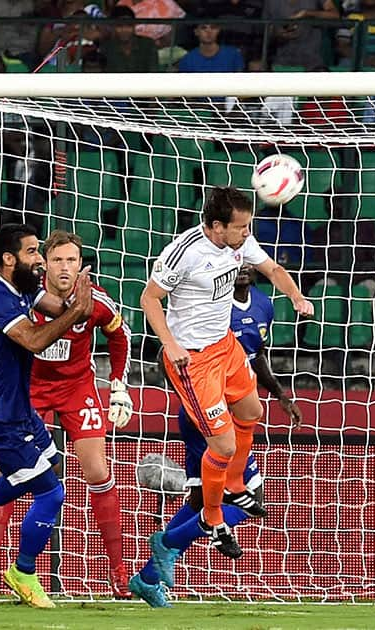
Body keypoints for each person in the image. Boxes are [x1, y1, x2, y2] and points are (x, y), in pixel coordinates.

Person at [139, 186, 313, 561]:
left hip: (226, 346)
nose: (247, 234)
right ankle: (215, 520)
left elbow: (273, 268)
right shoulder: (183, 253)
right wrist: (170, 344)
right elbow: (149, 299)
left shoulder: (239, 243)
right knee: (224, 446)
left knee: (252, 413)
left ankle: (234, 483)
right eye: (241, 227)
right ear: (217, 227)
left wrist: (296, 297)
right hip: (193, 361)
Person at [0, 229, 133, 601]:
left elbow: (119, 338)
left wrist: (118, 385)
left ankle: (118, 570)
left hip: (77, 387)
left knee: (97, 471)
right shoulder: (26, 293)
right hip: (31, 389)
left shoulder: (97, 300)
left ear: (80, 265)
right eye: (56, 259)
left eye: (71, 260)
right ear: (44, 263)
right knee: (17, 474)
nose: (63, 266)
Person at [130, 263, 304, 607]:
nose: (239, 269)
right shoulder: (209, 304)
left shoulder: (262, 304)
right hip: (206, 413)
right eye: (232, 264)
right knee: (248, 496)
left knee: (203, 500)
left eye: (244, 263)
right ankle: (165, 546)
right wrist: (195, 403)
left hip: (233, 410)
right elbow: (180, 357)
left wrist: (281, 395)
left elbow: (256, 357)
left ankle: (150, 575)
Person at [0, 223, 92, 609]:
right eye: (32, 253)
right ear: (9, 259)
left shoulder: (22, 285)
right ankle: (23, 572)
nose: (40, 260)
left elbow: (58, 310)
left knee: (52, 465)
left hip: (18, 409)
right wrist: (75, 311)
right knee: (52, 492)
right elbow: (35, 340)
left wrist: (74, 304)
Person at [101, 5, 158, 73]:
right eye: (119, 26)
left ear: (134, 25)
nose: (125, 30)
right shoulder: (106, 47)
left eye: (129, 25)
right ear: (113, 27)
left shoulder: (148, 44)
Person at [176, 23, 244, 73]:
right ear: (196, 32)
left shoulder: (233, 54)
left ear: (218, 30)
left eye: (213, 27)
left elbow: (239, 84)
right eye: (203, 27)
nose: (209, 31)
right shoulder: (187, 59)